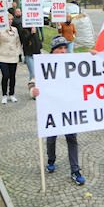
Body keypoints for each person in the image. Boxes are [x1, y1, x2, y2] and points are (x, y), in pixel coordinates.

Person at [30, 36, 86, 186]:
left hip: (69, 110)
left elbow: (88, 76)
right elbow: (32, 82)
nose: (62, 51)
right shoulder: (45, 65)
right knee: (51, 137)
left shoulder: (72, 64)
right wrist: (33, 90)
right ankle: (51, 160)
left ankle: (75, 170)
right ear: (53, 50)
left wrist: (93, 56)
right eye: (59, 49)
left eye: (64, 48)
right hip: (51, 109)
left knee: (72, 139)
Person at [0, 13, 22, 104]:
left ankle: (12, 94)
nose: (10, 21)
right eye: (8, 19)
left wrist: (18, 53)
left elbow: (18, 42)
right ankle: (4, 95)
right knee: (6, 75)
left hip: (13, 57)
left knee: (12, 76)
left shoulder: (15, 30)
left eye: (11, 19)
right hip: (3, 57)